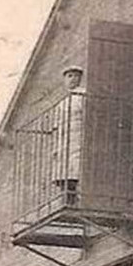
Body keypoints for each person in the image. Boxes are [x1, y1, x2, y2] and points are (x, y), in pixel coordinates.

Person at [51, 64, 86, 205]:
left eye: (75, 76)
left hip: (77, 136)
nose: (72, 79)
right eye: (69, 76)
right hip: (64, 140)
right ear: (64, 79)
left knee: (75, 169)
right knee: (63, 170)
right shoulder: (62, 103)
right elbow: (57, 126)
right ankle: (67, 199)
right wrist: (55, 147)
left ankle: (75, 198)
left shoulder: (82, 95)